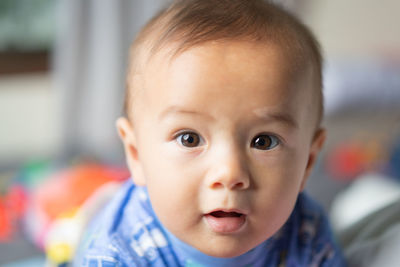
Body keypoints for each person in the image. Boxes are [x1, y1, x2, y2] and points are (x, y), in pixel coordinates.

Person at [76, 0, 346, 266]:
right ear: (136, 155)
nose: (229, 174)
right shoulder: (116, 255)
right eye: (189, 138)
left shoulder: (307, 233)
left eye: (264, 141)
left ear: (308, 162)